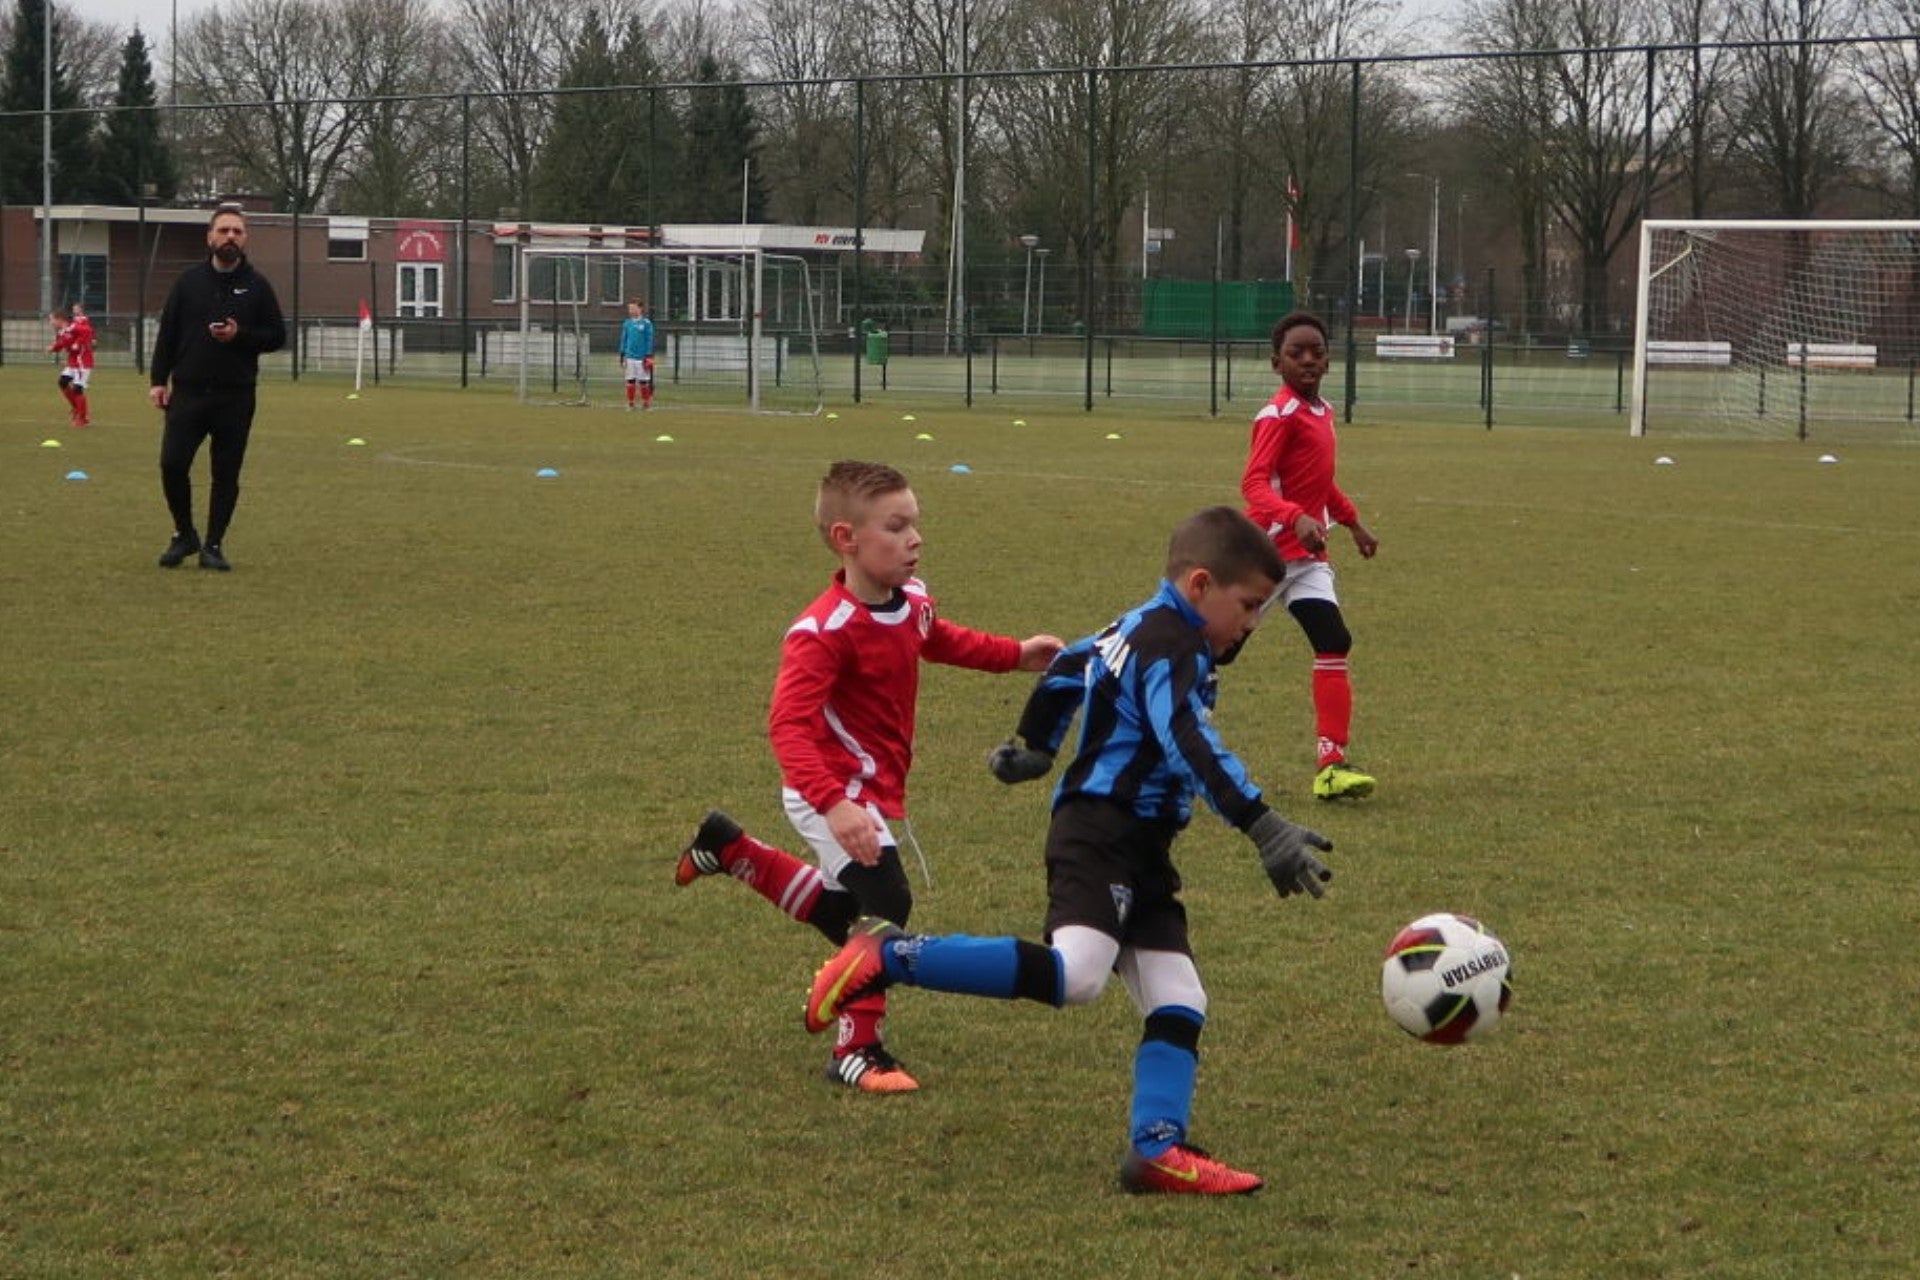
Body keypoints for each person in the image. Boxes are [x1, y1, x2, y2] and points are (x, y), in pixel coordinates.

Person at [804, 506, 1336, 1195]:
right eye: (1250, 605)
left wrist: (1036, 744)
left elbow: (1071, 666)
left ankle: (1157, 1149)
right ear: (1201, 585)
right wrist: (1263, 825)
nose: (1255, 623)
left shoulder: (1143, 623)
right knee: (1079, 975)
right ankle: (886, 956)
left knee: (1179, 994)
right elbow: (1190, 742)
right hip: (1101, 829)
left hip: (1143, 843)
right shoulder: (1170, 645)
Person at [677, 460, 1063, 1093]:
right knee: (887, 904)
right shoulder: (822, 632)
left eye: (915, 524)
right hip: (826, 789)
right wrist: (834, 804)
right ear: (846, 539)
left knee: (848, 914)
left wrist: (1014, 655)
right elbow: (789, 727)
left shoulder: (911, 601)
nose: (915, 539)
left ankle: (732, 850)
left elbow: (937, 638)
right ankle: (855, 1049)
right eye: (896, 526)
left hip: (868, 791)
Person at [1239, 310, 1380, 800]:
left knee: (1334, 640)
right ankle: (1168, 738)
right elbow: (1254, 483)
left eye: (1316, 352)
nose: (1307, 360)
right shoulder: (1276, 415)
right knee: (1216, 652)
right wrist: (1295, 516)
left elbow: (1321, 481)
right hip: (1264, 554)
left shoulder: (1323, 412)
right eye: (1295, 353)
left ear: (1328, 360)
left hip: (1308, 559)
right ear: (1276, 362)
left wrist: (1353, 523)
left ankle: (1331, 765)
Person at [148, 206, 287, 572]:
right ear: (209, 237)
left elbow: (277, 336)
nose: (230, 237)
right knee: (172, 464)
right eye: (223, 230)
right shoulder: (188, 282)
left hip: (235, 396)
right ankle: (184, 534)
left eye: (237, 231)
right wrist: (158, 380)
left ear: (245, 239)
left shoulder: (257, 286)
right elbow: (168, 333)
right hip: (188, 392)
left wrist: (240, 335)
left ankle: (213, 545)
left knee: (225, 473)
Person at [48, 303, 96, 428]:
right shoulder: (62, 332)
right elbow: (61, 343)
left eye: (51, 319)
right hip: (73, 362)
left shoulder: (74, 327)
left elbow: (88, 331)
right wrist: (53, 348)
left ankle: (83, 418)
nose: (50, 322)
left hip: (82, 362)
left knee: (77, 389)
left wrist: (78, 343)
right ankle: (76, 408)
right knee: (62, 382)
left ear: (60, 319)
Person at [618, 300, 655, 410]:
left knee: (644, 381)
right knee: (630, 380)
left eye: (633, 308)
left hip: (642, 357)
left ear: (640, 309)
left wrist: (648, 355)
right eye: (630, 308)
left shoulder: (646, 323)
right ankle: (631, 403)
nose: (631, 311)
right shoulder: (627, 323)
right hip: (630, 356)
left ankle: (646, 403)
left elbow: (649, 339)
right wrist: (622, 353)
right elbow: (624, 339)